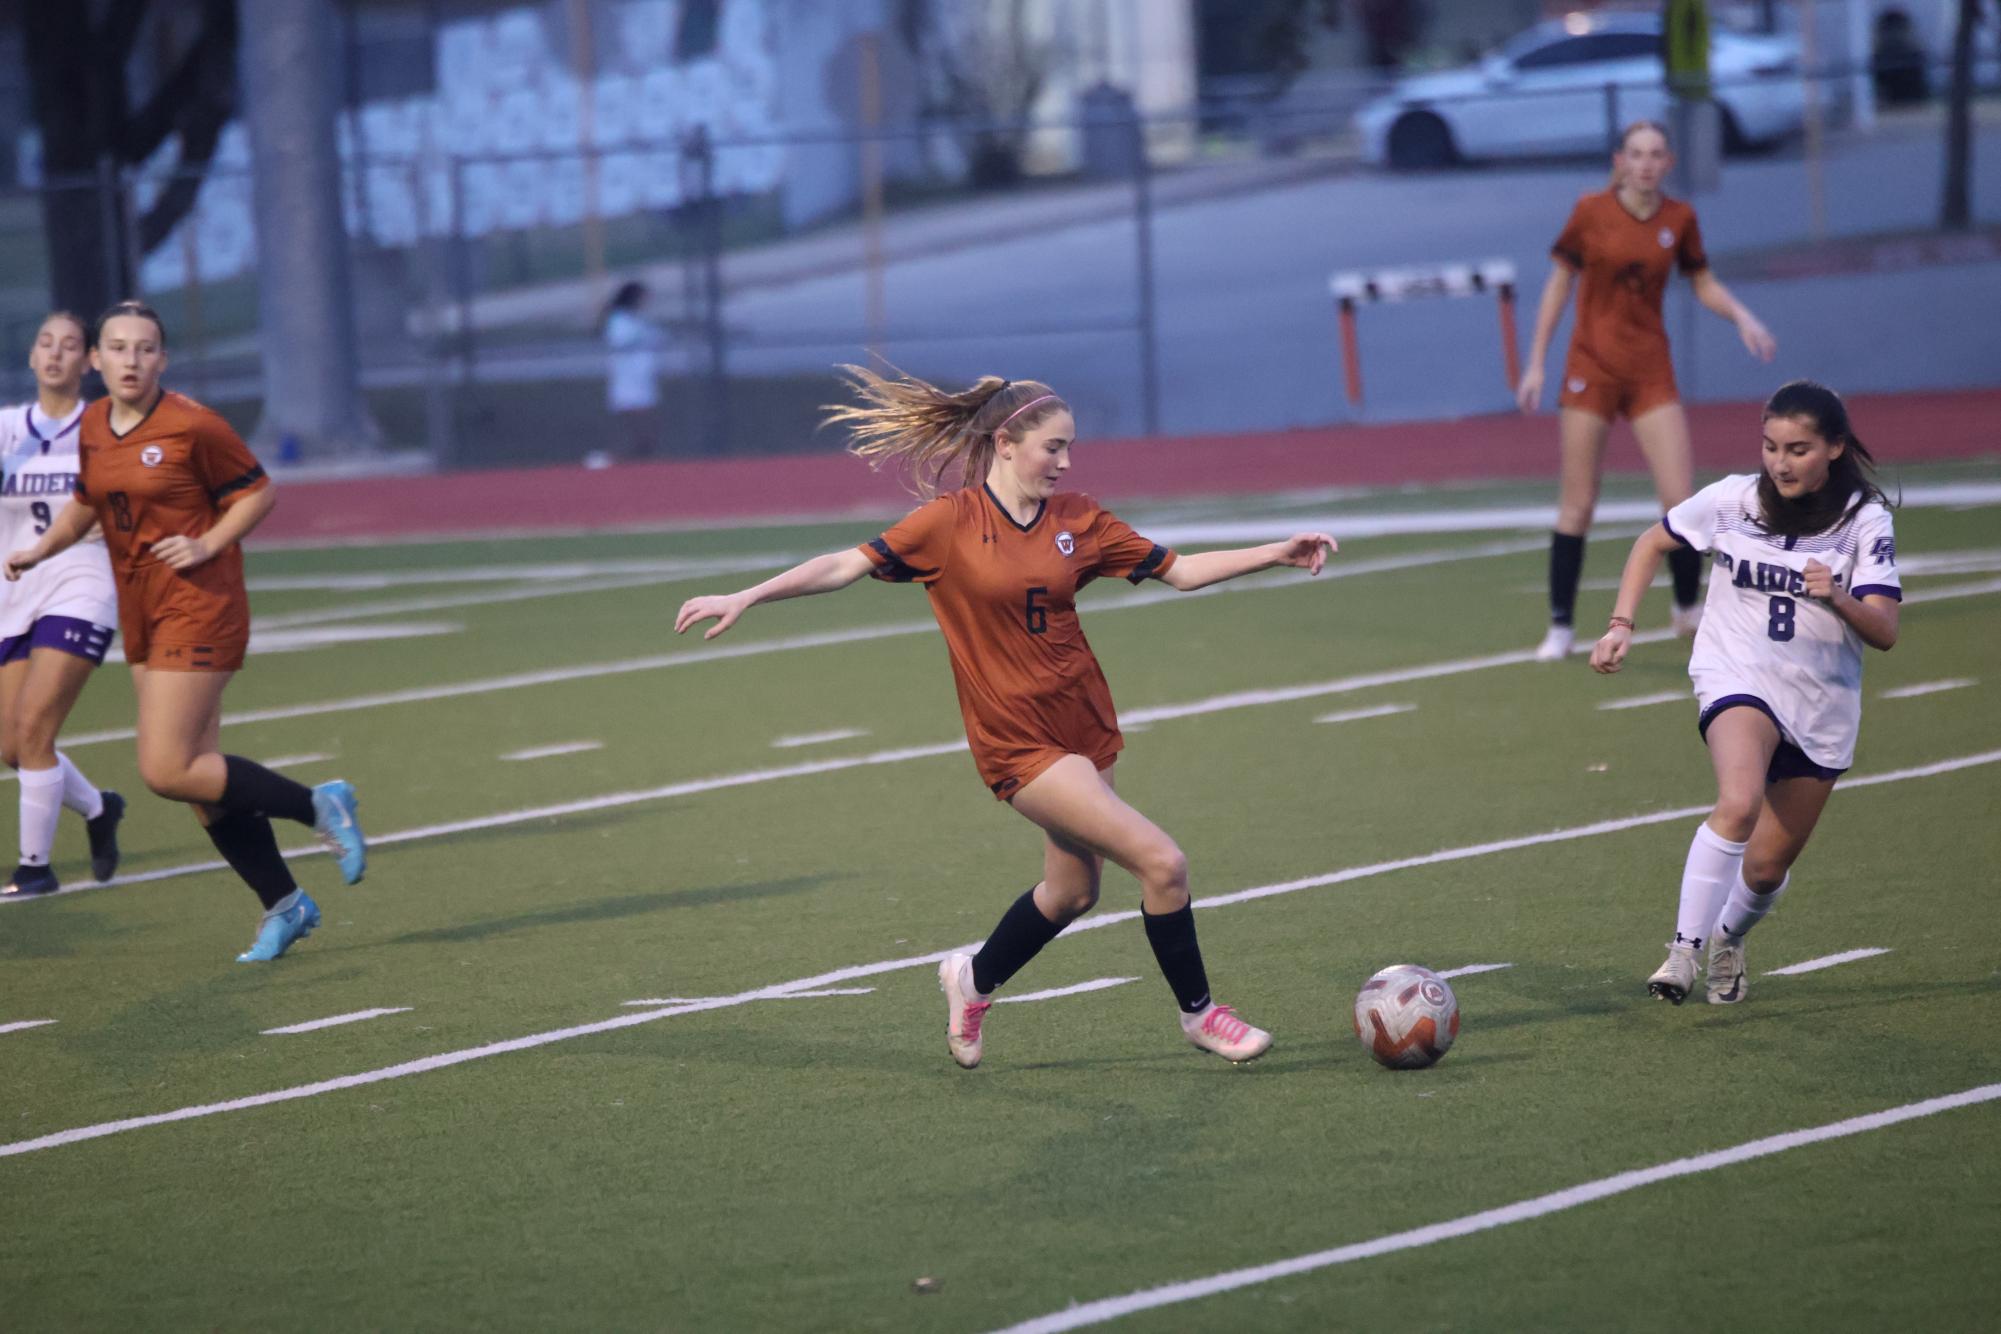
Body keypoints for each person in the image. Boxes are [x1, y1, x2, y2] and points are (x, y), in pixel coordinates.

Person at [676, 368, 1338, 1068]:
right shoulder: (948, 523)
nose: (1065, 461)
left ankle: (972, 979)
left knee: (1072, 891)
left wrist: (1274, 552)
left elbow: (1179, 570)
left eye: (1070, 447)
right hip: (1016, 744)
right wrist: (747, 595)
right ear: (1006, 443)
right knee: (1162, 862)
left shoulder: (1079, 518)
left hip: (1083, 723)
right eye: (1052, 447)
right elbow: (843, 565)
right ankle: (1201, 1016)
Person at [3, 301, 368, 961]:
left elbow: (257, 493)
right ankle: (286, 905)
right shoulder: (90, 422)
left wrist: (207, 544)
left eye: (144, 349)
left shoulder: (192, 424)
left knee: (167, 768)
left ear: (161, 360)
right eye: (117, 348)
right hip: (141, 606)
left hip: (200, 602)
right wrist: (42, 549)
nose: (130, 360)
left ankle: (319, 805)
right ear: (97, 360)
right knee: (203, 783)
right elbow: (87, 499)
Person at [1590, 381, 1899, 1006]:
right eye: (1771, 447)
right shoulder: (1732, 500)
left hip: (1821, 702)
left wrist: (1836, 596)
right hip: (1736, 674)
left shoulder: (1864, 521)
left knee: (1763, 870)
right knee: (1737, 800)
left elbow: (1885, 631)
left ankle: (1730, 937)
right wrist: (1621, 624)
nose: (1780, 462)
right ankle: (1684, 952)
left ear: (1835, 448)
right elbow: (1652, 541)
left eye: (1798, 449)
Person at [1517, 120, 1778, 663]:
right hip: (1590, 368)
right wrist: (1536, 363)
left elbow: (1701, 280)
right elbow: (1559, 285)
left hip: (1650, 372)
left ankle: (1686, 608)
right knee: (1578, 503)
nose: (1645, 163)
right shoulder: (1590, 212)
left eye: (1656, 154)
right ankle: (1561, 626)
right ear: (1619, 160)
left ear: (1668, 163)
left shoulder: (1679, 219)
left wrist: (1743, 317)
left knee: (1679, 499)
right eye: (1635, 154)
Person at [0, 312, 124, 897]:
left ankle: (34, 869)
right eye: (44, 343)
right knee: (10, 745)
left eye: (69, 345)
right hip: (13, 592)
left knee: (35, 728)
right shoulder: (6, 429)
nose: (55, 354)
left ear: (88, 361)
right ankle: (100, 809)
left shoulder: (102, 429)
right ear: (31, 358)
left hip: (80, 585)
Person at [601, 279, 666, 461]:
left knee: (650, 437)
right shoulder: (619, 321)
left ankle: (634, 471)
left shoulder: (639, 321)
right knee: (641, 435)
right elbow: (620, 342)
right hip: (628, 387)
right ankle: (606, 463)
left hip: (644, 384)